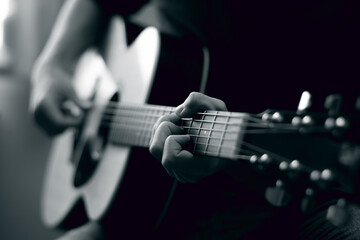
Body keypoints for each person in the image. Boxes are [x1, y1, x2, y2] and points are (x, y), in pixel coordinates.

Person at [30, 0, 360, 239]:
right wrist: (51, 65)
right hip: (134, 191)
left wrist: (225, 160)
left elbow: (314, 151)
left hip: (237, 193)